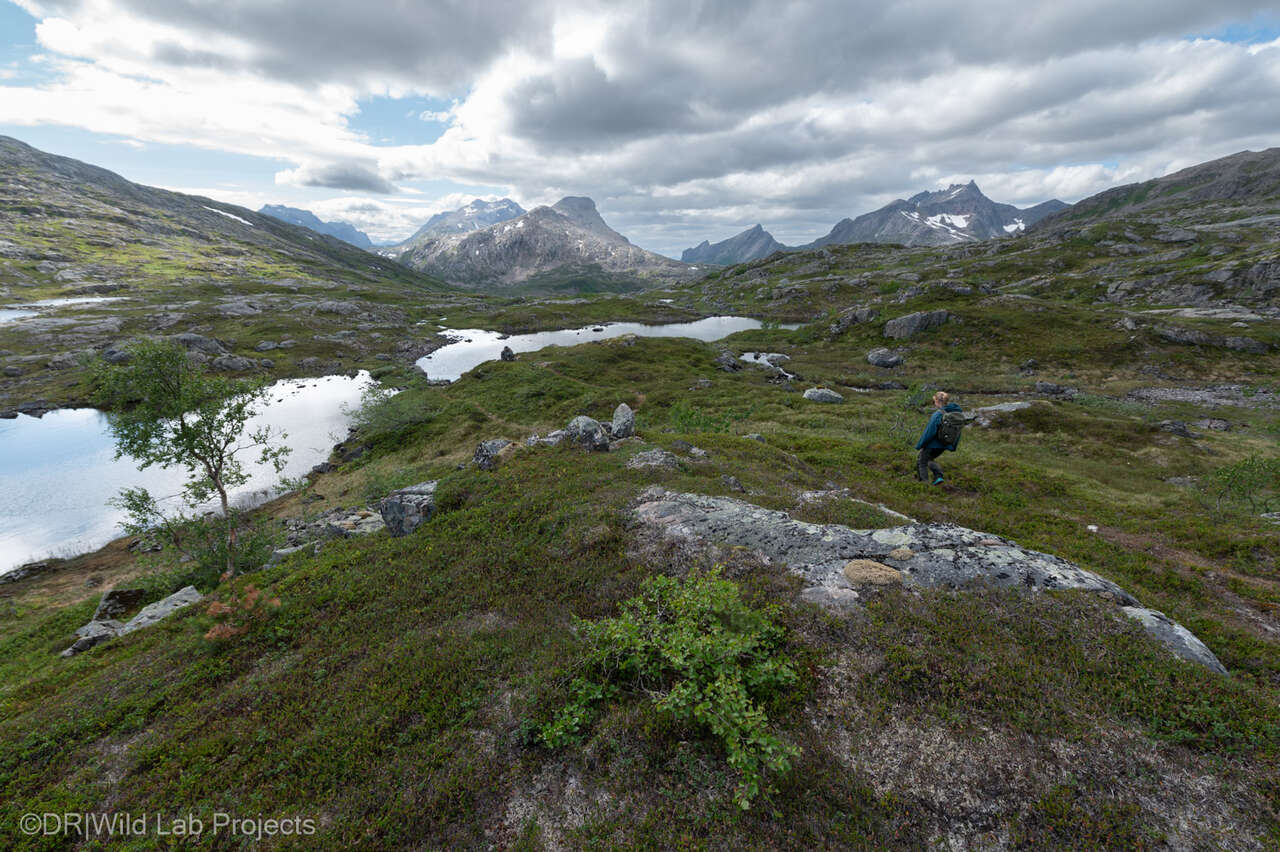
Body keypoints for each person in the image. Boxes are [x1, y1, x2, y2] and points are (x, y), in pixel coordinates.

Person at [915, 390, 963, 485]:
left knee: (922, 461)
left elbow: (930, 432)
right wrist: (952, 445)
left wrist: (920, 444)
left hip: (932, 444)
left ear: (938, 401)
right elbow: (958, 432)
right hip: (944, 444)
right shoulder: (956, 414)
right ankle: (938, 477)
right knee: (929, 459)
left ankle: (924, 483)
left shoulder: (938, 414)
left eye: (934, 401)